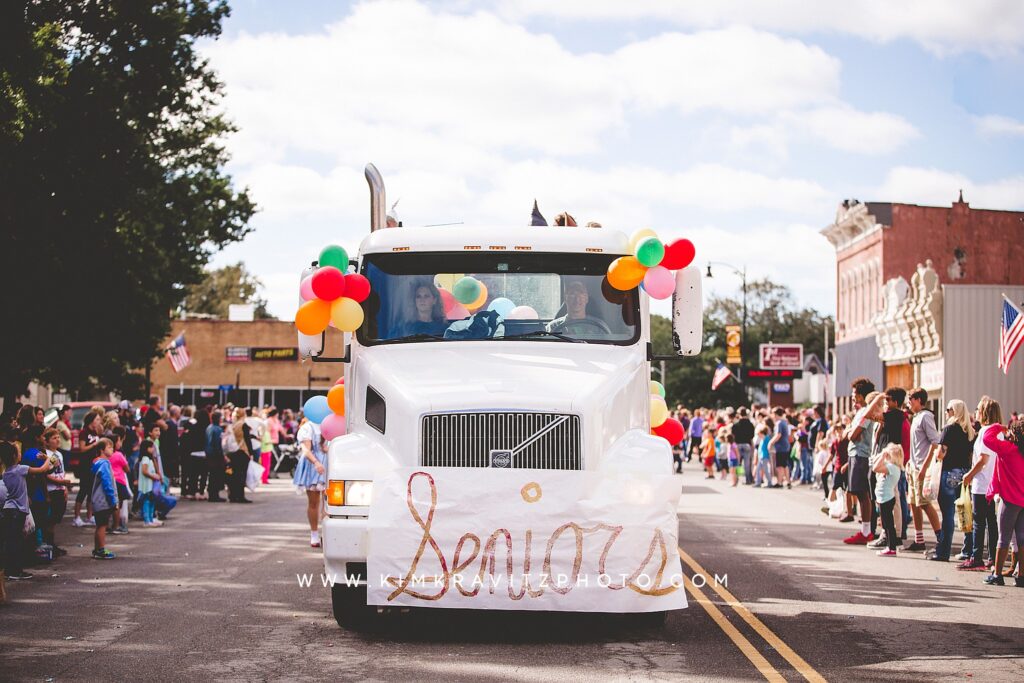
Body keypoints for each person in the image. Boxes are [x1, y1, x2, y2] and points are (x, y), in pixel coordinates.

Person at [928, 399, 974, 562]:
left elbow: (941, 453)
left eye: (948, 409)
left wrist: (935, 455)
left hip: (948, 473)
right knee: (965, 512)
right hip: (964, 472)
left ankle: (943, 552)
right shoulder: (969, 431)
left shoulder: (948, 429)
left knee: (948, 514)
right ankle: (969, 550)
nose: (946, 412)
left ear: (954, 411)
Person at [2, 441, 55, 580]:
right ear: (14, 456)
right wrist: (47, 458)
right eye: (19, 452)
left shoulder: (6, 472)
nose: (21, 454)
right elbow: (43, 470)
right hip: (17, 511)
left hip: (9, 509)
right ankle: (16, 571)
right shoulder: (20, 469)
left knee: (11, 541)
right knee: (17, 542)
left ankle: (9, 570)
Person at [981, 421, 1024, 586]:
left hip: (1010, 500)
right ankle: (1021, 576)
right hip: (1022, 500)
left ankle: (997, 574)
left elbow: (987, 438)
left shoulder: (1008, 449)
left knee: (1003, 538)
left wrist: (999, 426)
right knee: (1022, 538)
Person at [962, 396, 1001, 570]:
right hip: (993, 482)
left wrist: (969, 475)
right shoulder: (998, 432)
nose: (975, 411)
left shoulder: (985, 432)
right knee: (991, 521)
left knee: (979, 521)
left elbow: (983, 459)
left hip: (982, 482)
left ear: (984, 412)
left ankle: (977, 557)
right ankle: (993, 556)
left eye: (978, 409)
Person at [907, 387, 942, 551]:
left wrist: (925, 467)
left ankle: (941, 538)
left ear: (919, 400)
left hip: (922, 467)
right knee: (914, 503)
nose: (909, 402)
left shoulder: (926, 417)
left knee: (925, 503)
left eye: (911, 399)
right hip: (914, 466)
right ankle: (919, 539)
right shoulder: (915, 417)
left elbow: (935, 442)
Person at [843, 378, 878, 545]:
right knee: (858, 492)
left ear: (862, 395)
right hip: (855, 454)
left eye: (854, 393)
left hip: (861, 454)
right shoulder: (860, 412)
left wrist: (849, 431)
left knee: (862, 493)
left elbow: (852, 434)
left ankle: (866, 532)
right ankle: (866, 530)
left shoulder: (867, 413)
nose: (852, 396)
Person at [293, 417, 327, 547]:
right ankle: (314, 533)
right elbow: (306, 450)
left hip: (329, 463)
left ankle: (327, 533)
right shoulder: (307, 427)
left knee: (329, 502)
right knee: (314, 502)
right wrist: (316, 462)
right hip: (313, 465)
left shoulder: (331, 423)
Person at [42, 427, 72, 554]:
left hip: (60, 489)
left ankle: (52, 545)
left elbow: (62, 471)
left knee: (56, 519)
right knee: (51, 520)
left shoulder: (58, 454)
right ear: (47, 441)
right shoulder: (48, 455)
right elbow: (47, 473)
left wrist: (64, 487)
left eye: (58, 437)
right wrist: (61, 483)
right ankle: (49, 545)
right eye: (54, 438)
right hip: (52, 490)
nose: (57, 440)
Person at [72, 412, 103, 527]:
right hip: (85, 465)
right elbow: (82, 448)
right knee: (83, 490)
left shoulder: (95, 432)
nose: (99, 422)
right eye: (97, 419)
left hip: (94, 464)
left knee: (92, 492)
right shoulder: (84, 432)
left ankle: (90, 516)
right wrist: (95, 444)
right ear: (91, 421)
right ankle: (76, 517)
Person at [873, 444, 904, 557]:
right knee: (886, 524)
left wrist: (882, 456)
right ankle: (890, 547)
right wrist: (882, 455)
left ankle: (891, 548)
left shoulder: (892, 467)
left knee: (888, 525)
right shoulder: (892, 467)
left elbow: (875, 468)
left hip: (886, 499)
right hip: (884, 498)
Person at [108, 428, 131, 535]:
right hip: (119, 480)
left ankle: (111, 524)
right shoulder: (118, 455)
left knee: (112, 504)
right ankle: (117, 526)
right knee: (117, 504)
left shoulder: (106, 455)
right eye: (118, 441)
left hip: (110, 480)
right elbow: (127, 469)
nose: (120, 443)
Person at [137, 439, 162, 527]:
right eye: (151, 447)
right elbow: (144, 471)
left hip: (150, 485)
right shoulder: (145, 458)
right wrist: (153, 476)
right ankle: (147, 520)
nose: (153, 449)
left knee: (151, 502)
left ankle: (151, 519)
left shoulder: (149, 459)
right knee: (147, 502)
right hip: (146, 485)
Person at [227, 420, 253, 504]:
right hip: (242, 451)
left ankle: (232, 495)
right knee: (241, 475)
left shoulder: (232, 425)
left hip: (232, 452)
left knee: (233, 475)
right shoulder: (243, 425)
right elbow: (247, 439)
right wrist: (251, 452)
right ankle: (240, 495)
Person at [205, 411, 227, 503]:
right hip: (216, 455)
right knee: (216, 475)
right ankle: (215, 494)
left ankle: (211, 494)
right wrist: (222, 455)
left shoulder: (209, 428)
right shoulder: (218, 429)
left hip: (209, 454)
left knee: (212, 475)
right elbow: (218, 444)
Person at [768, 407, 792, 489]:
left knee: (780, 465)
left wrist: (771, 442)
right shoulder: (784, 422)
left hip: (781, 447)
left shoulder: (779, 423)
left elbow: (778, 435)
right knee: (784, 465)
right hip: (785, 445)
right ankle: (788, 481)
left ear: (775, 414)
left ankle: (779, 482)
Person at [732, 408, 755, 485]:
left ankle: (737, 478)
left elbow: (733, 436)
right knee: (747, 464)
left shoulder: (735, 425)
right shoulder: (751, 425)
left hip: (738, 445)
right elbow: (752, 436)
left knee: (738, 463)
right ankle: (748, 480)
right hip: (747, 444)